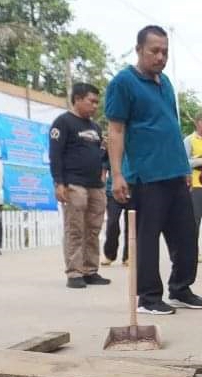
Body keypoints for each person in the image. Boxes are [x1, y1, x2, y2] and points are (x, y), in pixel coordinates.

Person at [105, 24, 202, 315]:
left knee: (186, 237)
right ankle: (149, 297)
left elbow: (171, 127)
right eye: (154, 51)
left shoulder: (166, 83)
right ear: (138, 50)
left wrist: (184, 168)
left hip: (175, 173)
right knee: (146, 241)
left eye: (165, 51)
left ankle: (181, 288)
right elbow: (116, 130)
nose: (160, 57)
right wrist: (117, 175)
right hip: (145, 176)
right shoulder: (123, 83)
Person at [50, 82, 111, 289]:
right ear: (77, 99)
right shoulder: (63, 122)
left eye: (97, 102)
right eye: (91, 101)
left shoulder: (95, 127)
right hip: (74, 184)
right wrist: (59, 183)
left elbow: (101, 154)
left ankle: (90, 270)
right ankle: (74, 272)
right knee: (75, 228)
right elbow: (55, 155)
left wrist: (103, 173)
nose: (95, 106)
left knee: (93, 229)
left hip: (96, 185)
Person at [183, 111, 202, 259]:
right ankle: (192, 251)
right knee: (195, 219)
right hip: (196, 184)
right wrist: (201, 161)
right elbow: (184, 161)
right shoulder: (189, 140)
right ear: (197, 122)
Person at [101, 136, 128, 266]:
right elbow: (104, 169)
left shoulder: (134, 145)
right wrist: (102, 187)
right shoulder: (111, 147)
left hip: (132, 188)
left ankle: (128, 256)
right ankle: (109, 254)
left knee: (132, 225)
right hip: (113, 190)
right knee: (112, 223)